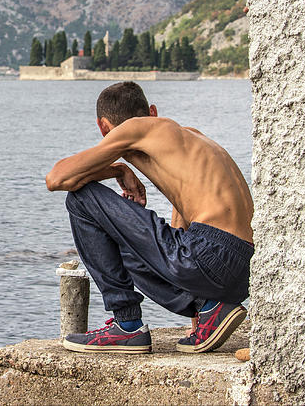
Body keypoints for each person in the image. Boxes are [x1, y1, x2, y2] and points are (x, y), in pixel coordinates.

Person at [45, 82, 254, 354]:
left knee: (81, 199)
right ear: (152, 111)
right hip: (244, 270)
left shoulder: (135, 129)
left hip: (211, 253)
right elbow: (183, 223)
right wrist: (197, 322)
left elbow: (56, 178)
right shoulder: (191, 138)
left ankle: (127, 324)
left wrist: (116, 169)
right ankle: (209, 309)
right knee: (124, 243)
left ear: (104, 127)